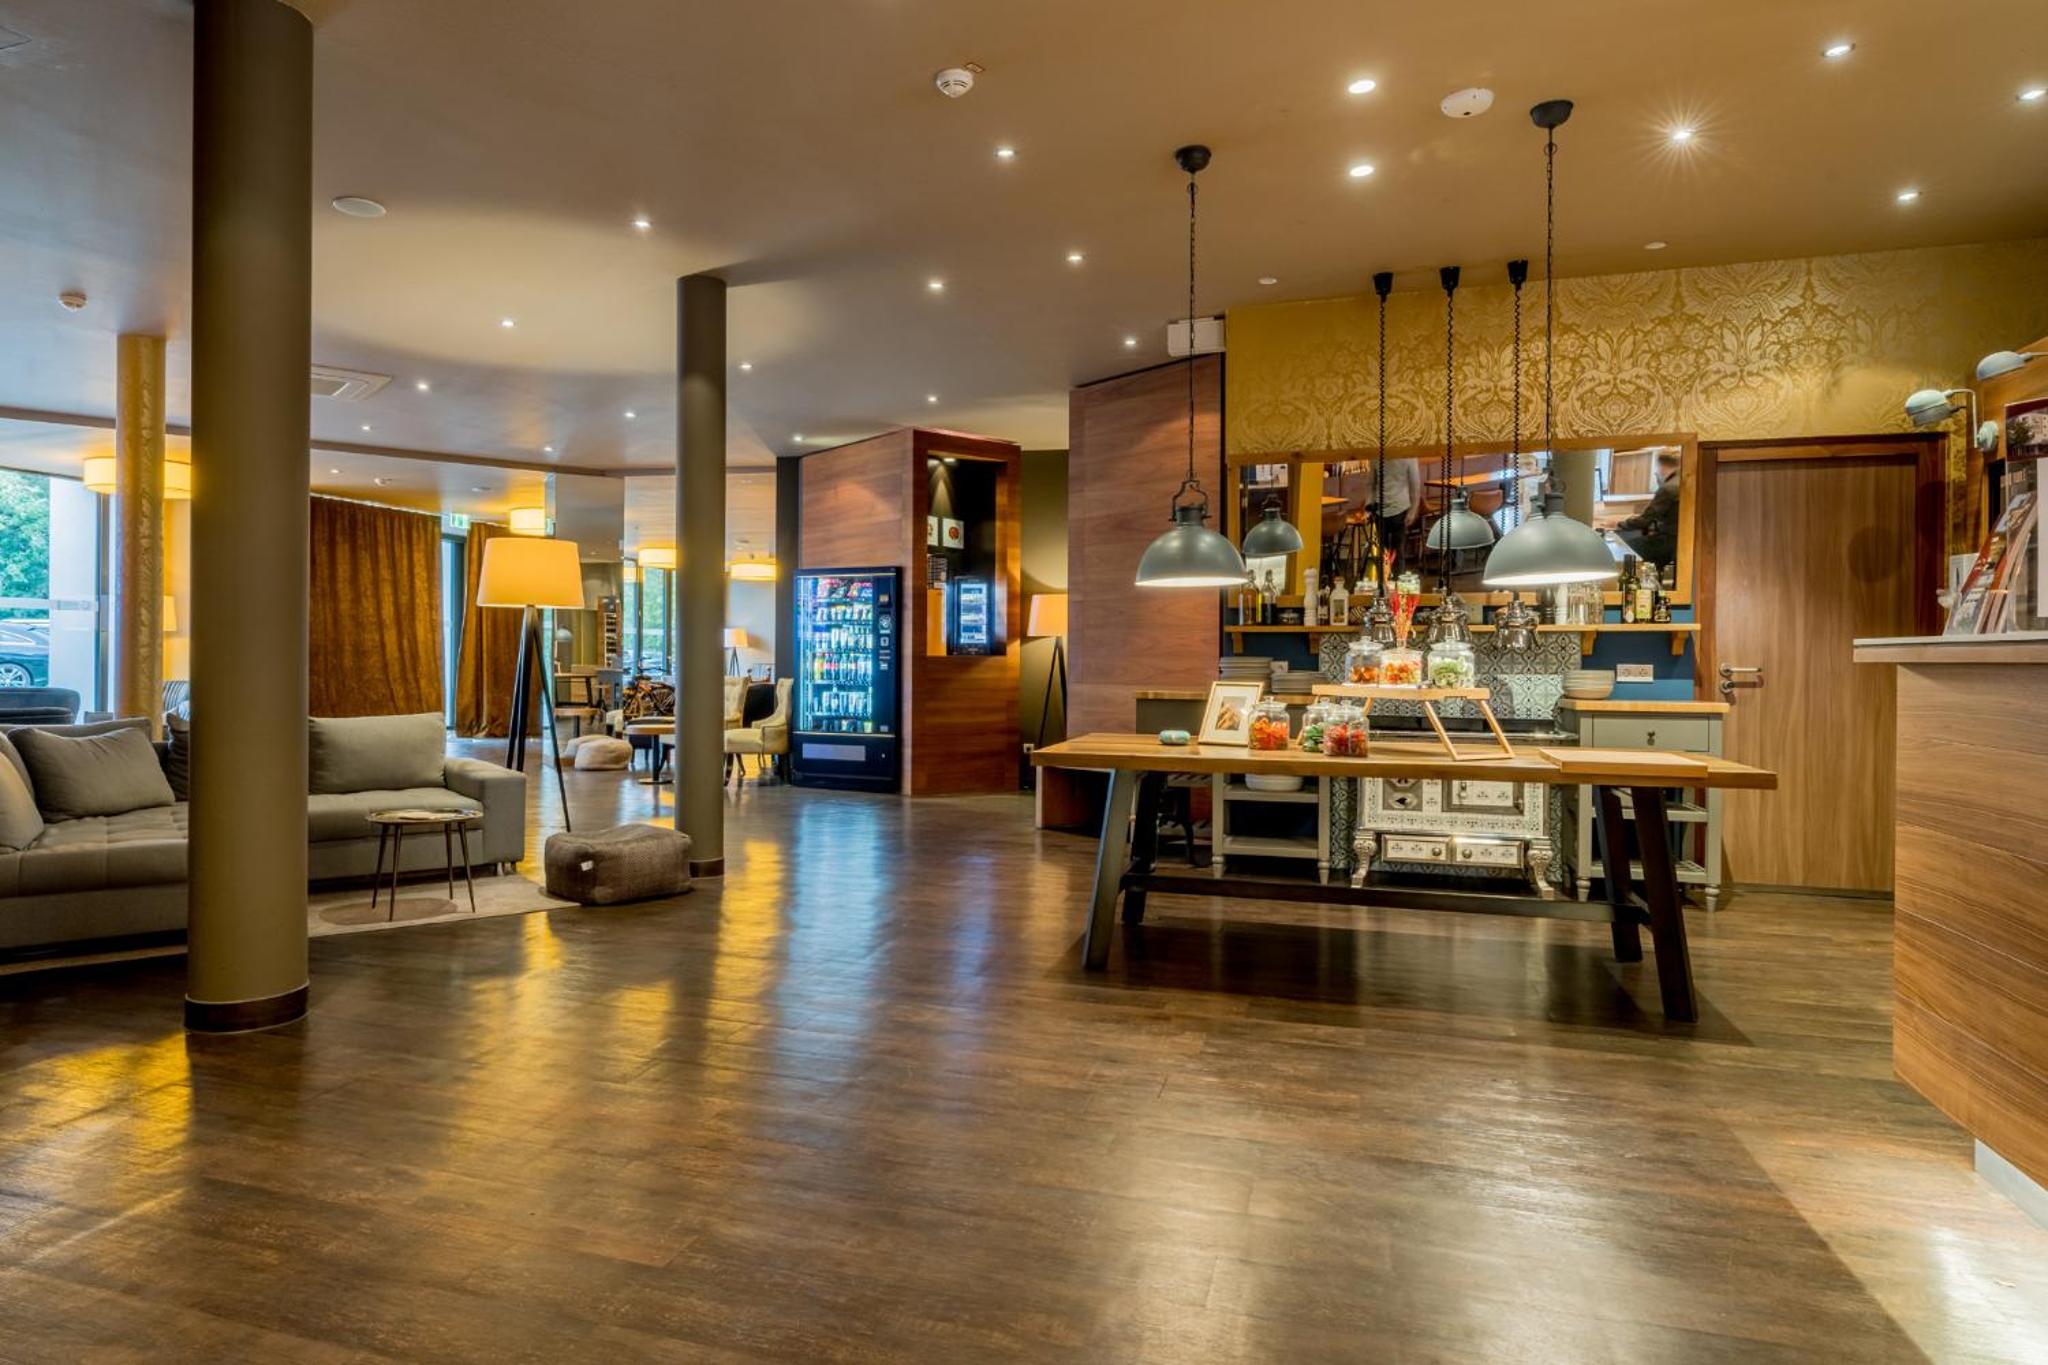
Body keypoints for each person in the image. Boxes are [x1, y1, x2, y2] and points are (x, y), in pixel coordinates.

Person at [1615, 450, 1682, 570]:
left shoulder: (1667, 488)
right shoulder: (1682, 481)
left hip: (1666, 542)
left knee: (1620, 543)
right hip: (1677, 539)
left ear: (1662, 466)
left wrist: (1618, 524)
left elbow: (1644, 521)